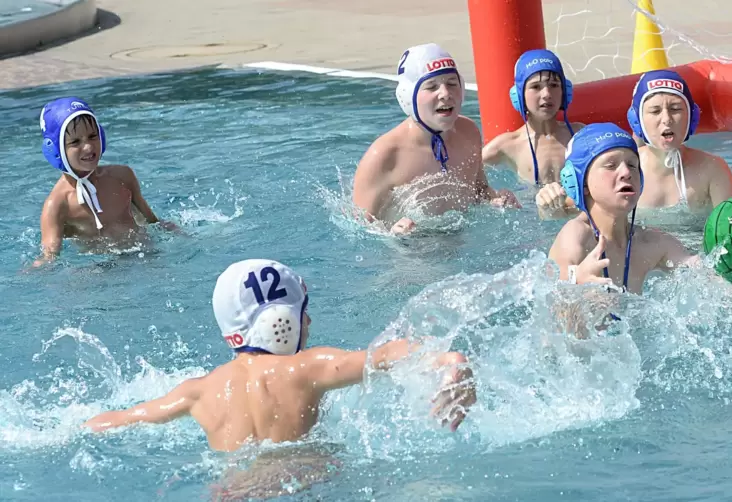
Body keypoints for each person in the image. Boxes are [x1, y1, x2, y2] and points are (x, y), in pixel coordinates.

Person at [83, 259, 477, 452]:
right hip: (303, 484)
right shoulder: (306, 368)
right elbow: (388, 354)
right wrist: (450, 362)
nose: (309, 322)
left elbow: (115, 421)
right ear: (284, 321)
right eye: (303, 314)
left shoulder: (198, 391)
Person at [550, 122, 732, 296]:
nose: (626, 172)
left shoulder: (652, 243)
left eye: (632, 165)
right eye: (611, 165)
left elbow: (706, 277)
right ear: (581, 182)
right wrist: (576, 285)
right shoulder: (576, 236)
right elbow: (553, 304)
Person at [352, 43, 519, 235]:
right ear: (408, 95)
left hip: (463, 245)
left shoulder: (469, 132)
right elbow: (357, 228)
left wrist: (496, 200)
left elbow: (479, 189)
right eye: (431, 86)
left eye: (451, 83)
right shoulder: (384, 155)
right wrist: (392, 235)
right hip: (409, 258)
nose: (445, 94)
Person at [34, 97, 176, 267]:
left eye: (93, 136)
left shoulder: (123, 176)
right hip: (102, 269)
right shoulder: (57, 204)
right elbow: (49, 257)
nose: (88, 147)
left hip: (146, 255)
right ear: (55, 149)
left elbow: (152, 222)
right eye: (76, 142)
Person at [481, 49, 585, 219]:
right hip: (531, 220)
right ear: (519, 95)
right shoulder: (507, 146)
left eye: (554, 85)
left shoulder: (579, 135)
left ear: (565, 91)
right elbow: (466, 178)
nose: (546, 94)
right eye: (536, 87)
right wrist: (493, 196)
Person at [626, 69, 732, 214]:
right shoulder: (624, 170)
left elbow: (729, 230)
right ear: (638, 121)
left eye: (675, 109)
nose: (666, 119)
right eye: (655, 111)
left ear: (692, 117)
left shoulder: (713, 169)